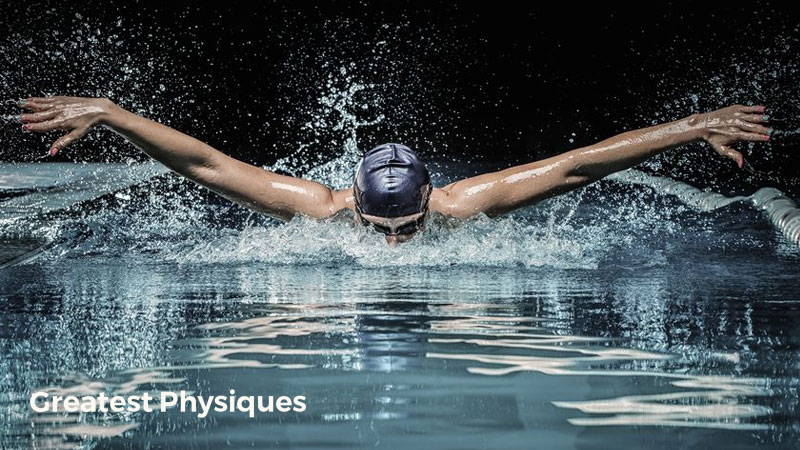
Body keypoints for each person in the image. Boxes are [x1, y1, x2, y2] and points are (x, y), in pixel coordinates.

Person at [16, 97, 770, 246]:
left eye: (405, 228)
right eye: (377, 229)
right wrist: (112, 113)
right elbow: (207, 164)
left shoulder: (464, 205)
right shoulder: (316, 206)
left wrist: (694, 126)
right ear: (351, 202)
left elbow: (576, 164)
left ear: (431, 199)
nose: (392, 247)